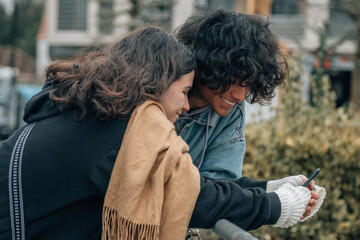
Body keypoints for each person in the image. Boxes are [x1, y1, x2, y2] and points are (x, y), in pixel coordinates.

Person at [0, 25, 321, 240]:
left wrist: (266, 188)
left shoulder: (96, 113)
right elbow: (189, 196)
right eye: (184, 91)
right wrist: (274, 206)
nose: (185, 106)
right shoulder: (117, 130)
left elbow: (189, 184)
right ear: (155, 82)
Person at [174, 7, 287, 180]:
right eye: (233, 80)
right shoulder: (159, 91)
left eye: (248, 84)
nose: (240, 96)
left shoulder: (232, 111)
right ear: (208, 65)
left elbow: (221, 187)